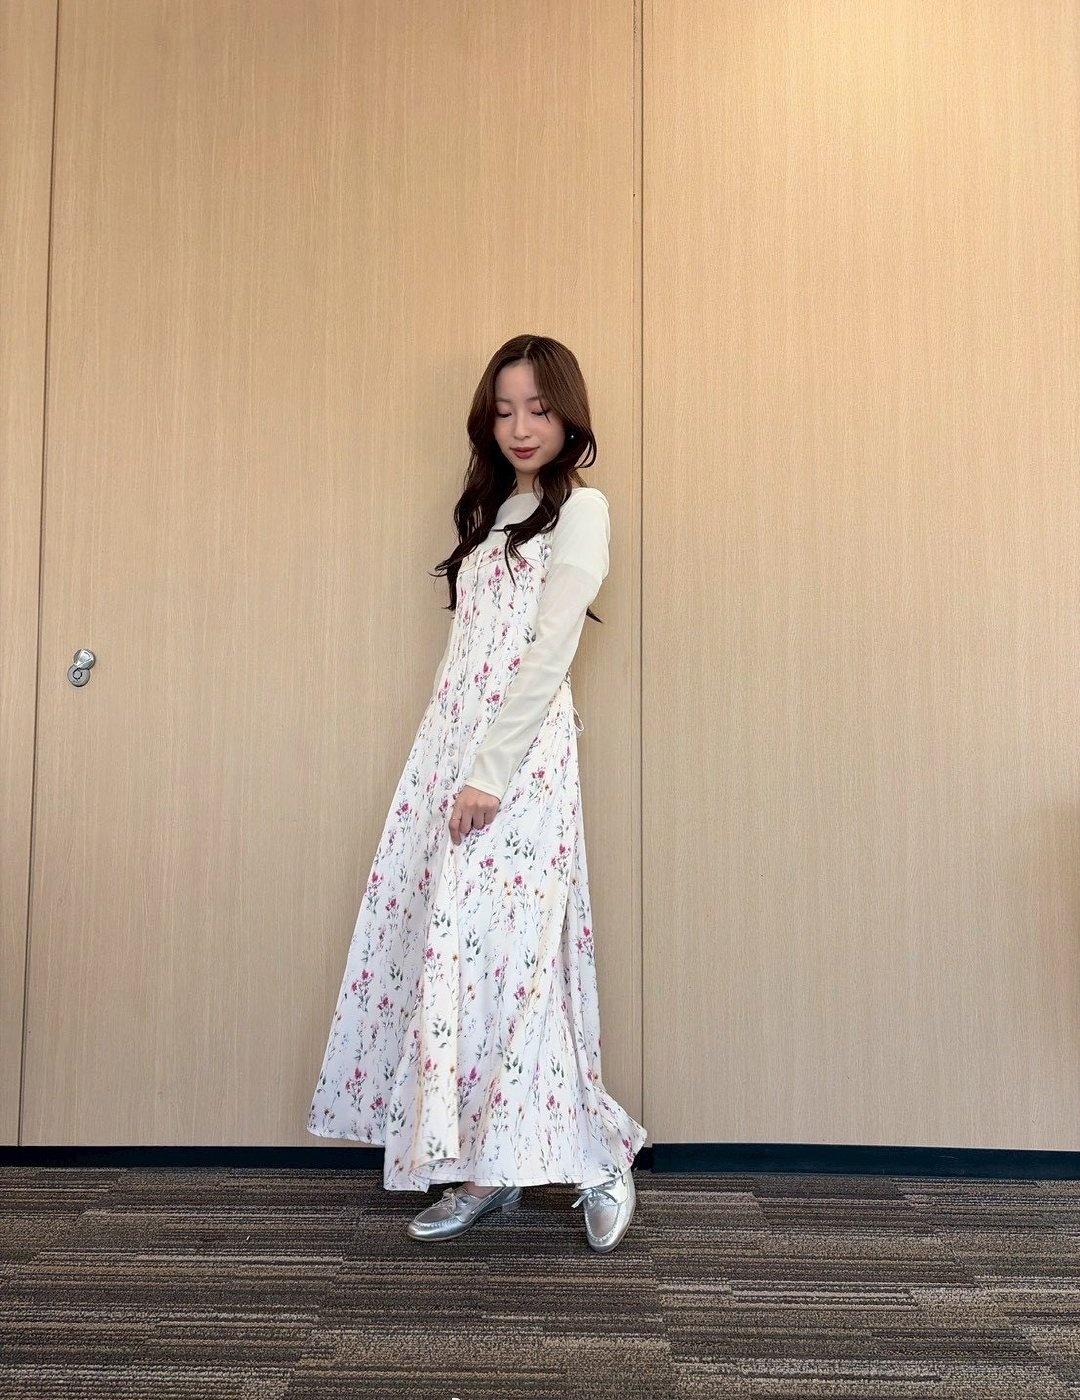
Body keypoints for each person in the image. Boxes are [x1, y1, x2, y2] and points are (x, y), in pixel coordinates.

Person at [307, 334, 646, 1253]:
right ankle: (486, 1172)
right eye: (503, 410)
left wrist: (490, 773)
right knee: (464, 958)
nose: (520, 426)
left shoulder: (583, 513)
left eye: (538, 407)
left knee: (520, 960)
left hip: (518, 763)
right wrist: (445, 765)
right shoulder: (492, 514)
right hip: (452, 752)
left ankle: (597, 1154)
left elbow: (550, 651)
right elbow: (467, 658)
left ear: (568, 414)